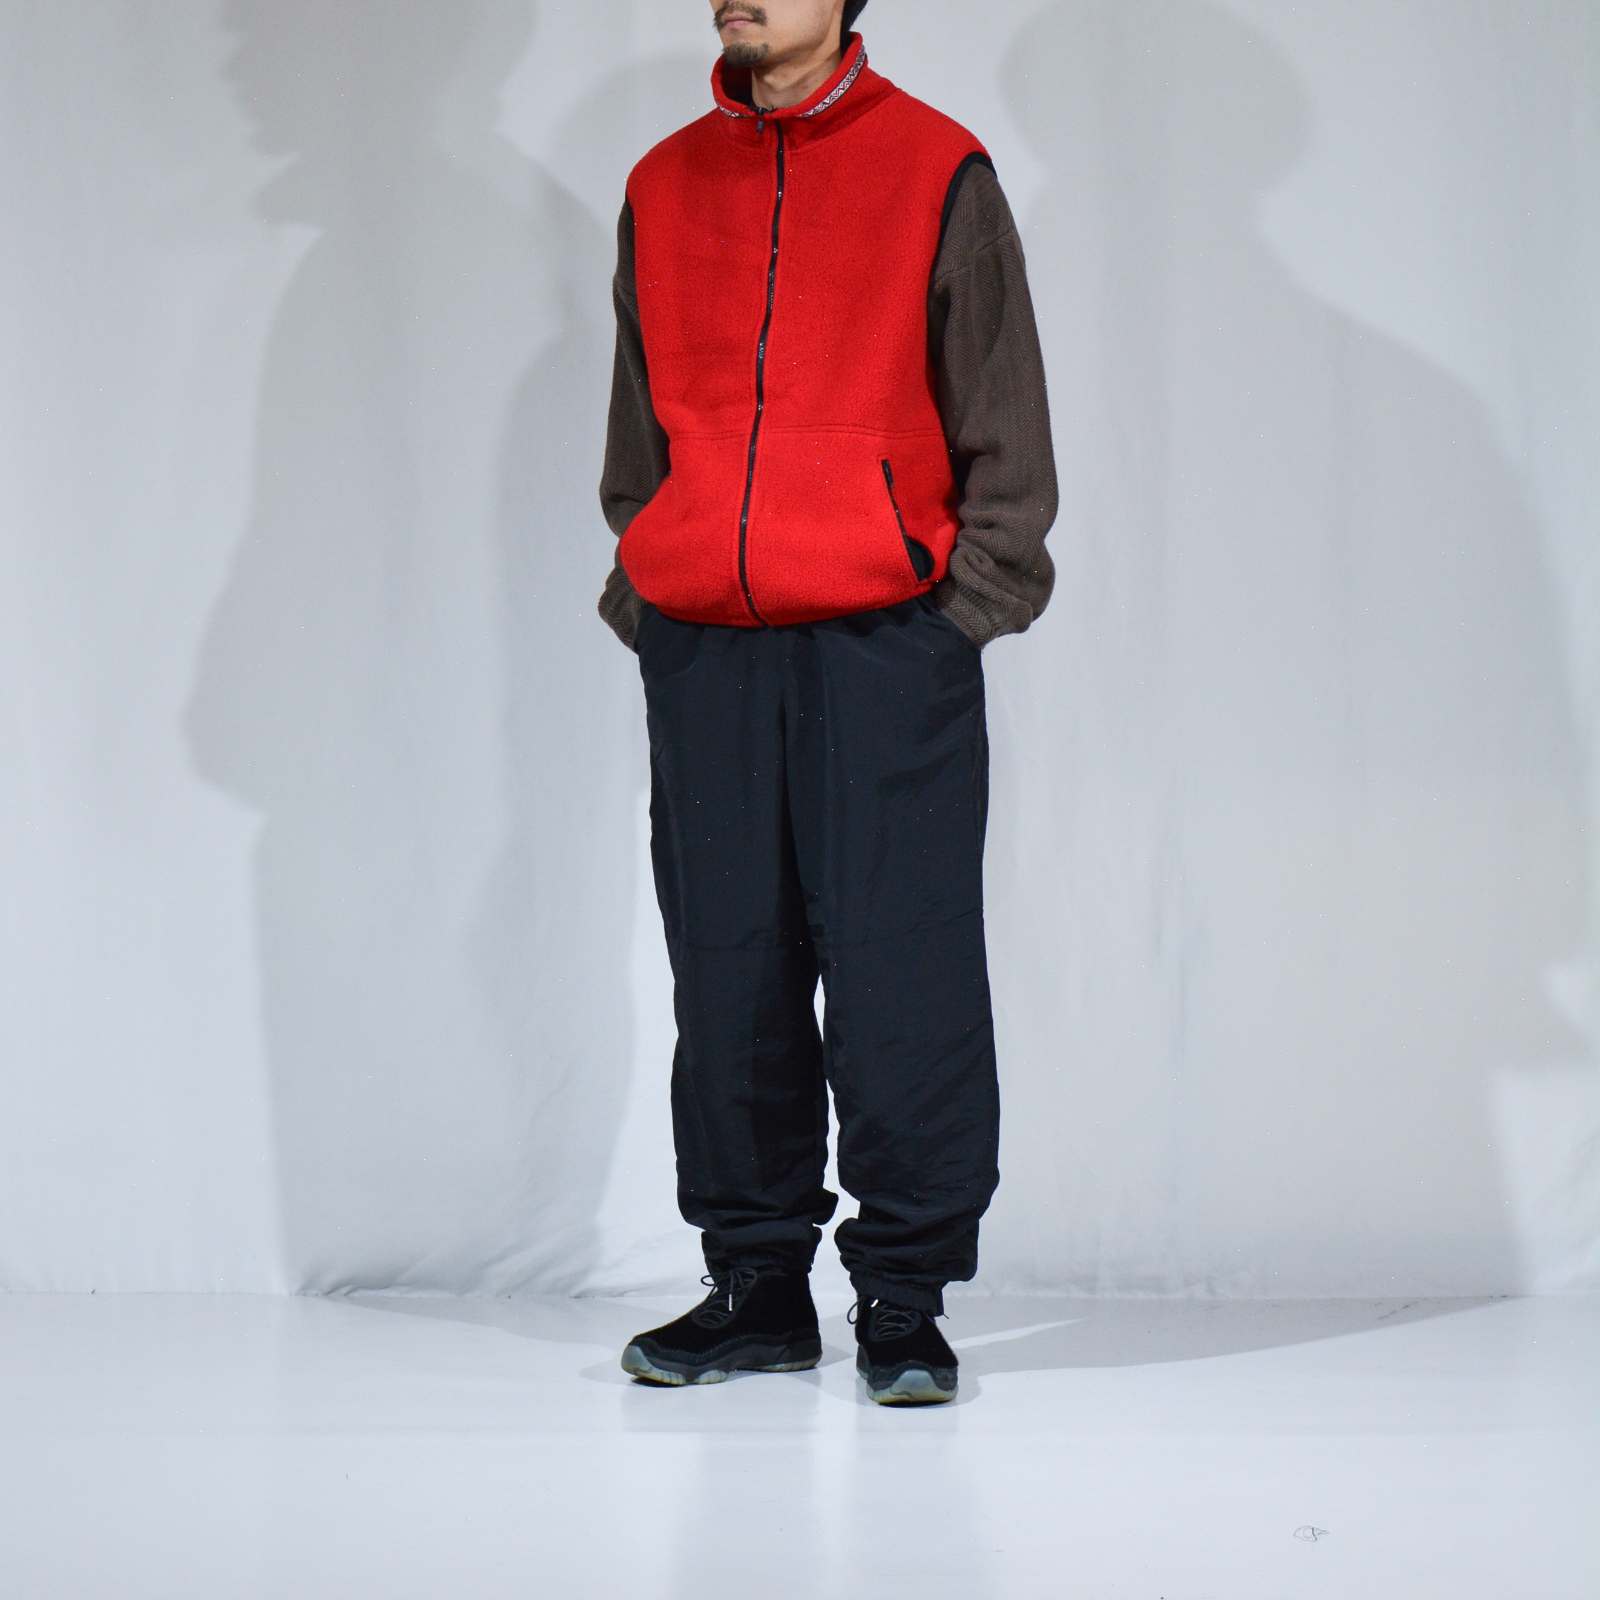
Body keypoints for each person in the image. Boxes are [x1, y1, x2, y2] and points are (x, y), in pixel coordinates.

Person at [597, 0, 1057, 1404]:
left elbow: (1003, 421)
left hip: (883, 644)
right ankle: (756, 1287)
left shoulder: (936, 170)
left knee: (901, 969)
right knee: (727, 972)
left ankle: (904, 1293)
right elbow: (638, 425)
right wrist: (650, 579)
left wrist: (960, 612)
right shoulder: (664, 183)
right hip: (706, 647)